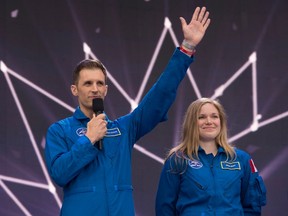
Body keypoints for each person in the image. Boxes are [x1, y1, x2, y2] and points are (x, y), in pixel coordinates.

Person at [45, 7, 211, 216]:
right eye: (88, 83)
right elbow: (59, 174)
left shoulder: (124, 128)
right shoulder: (59, 130)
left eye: (100, 83)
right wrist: (88, 140)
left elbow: (159, 95)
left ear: (106, 89)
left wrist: (187, 48)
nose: (95, 88)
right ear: (74, 89)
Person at [155, 98, 267, 215]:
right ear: (191, 122)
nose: (209, 121)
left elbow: (252, 206)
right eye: (201, 117)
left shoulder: (241, 159)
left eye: (214, 116)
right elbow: (164, 209)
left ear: (221, 121)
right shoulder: (177, 159)